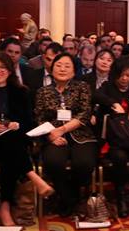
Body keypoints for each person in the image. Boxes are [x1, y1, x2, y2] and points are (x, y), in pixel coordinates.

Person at [0, 52, 53, 225]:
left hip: (13, 141)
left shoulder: (21, 92)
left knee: (10, 149)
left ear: (9, 71)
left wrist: (16, 125)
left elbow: (28, 123)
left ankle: (5, 207)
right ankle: (34, 177)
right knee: (13, 148)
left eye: (2, 67)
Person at [34, 53, 97, 216]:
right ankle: (69, 199)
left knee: (84, 163)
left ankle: (68, 197)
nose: (62, 69)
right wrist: (50, 135)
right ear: (51, 68)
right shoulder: (43, 91)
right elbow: (39, 117)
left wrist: (61, 130)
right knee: (53, 162)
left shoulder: (82, 87)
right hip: (52, 135)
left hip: (80, 134)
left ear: (74, 71)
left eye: (67, 66)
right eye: (58, 65)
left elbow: (84, 113)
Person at [93, 56, 129, 217]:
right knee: (119, 157)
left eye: (128, 75)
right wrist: (112, 103)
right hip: (116, 140)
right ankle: (121, 197)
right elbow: (96, 95)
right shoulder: (108, 87)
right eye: (122, 75)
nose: (125, 79)